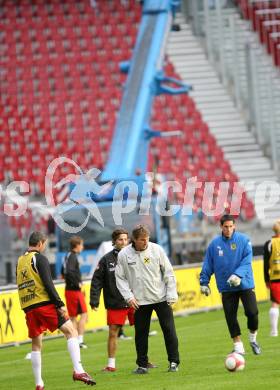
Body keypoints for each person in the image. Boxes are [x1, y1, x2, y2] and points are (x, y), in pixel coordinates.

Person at [16, 232, 95, 390]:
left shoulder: (20, 260)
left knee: (36, 344)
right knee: (71, 331)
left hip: (28, 306)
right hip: (43, 304)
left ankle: (39, 383)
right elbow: (48, 283)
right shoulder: (39, 258)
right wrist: (59, 304)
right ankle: (78, 371)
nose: (44, 247)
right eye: (44, 244)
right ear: (40, 243)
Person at [115, 225, 179, 374]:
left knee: (169, 330)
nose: (146, 243)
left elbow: (168, 272)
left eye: (147, 239)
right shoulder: (124, 255)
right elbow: (120, 278)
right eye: (142, 240)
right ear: (134, 240)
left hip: (161, 298)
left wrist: (171, 293)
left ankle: (174, 362)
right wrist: (128, 297)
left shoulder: (156, 250)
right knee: (141, 334)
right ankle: (142, 365)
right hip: (140, 301)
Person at [200, 214, 261, 355]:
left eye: (231, 226)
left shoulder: (244, 240)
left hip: (244, 284)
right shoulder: (214, 245)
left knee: (252, 313)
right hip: (226, 287)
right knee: (230, 316)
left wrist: (238, 275)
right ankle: (238, 345)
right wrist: (204, 282)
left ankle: (253, 339)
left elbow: (247, 261)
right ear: (221, 227)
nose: (228, 229)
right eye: (225, 227)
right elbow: (208, 264)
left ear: (234, 226)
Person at [90, 228, 135, 371]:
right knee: (113, 333)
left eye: (125, 239)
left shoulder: (134, 256)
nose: (124, 242)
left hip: (135, 300)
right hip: (115, 302)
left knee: (141, 330)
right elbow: (97, 281)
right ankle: (111, 365)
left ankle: (144, 360)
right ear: (114, 241)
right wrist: (94, 300)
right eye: (120, 239)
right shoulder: (106, 260)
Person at [61, 236, 88, 349]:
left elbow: (63, 271)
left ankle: (75, 340)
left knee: (75, 316)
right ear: (77, 246)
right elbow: (70, 272)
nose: (82, 247)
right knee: (81, 315)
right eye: (81, 244)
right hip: (74, 291)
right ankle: (78, 340)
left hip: (71, 290)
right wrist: (77, 283)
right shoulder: (72, 256)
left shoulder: (68, 256)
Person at [263, 219, 280, 336]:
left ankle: (274, 331)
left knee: (274, 303)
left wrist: (266, 279)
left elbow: (265, 264)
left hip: (275, 276)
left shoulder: (269, 243)